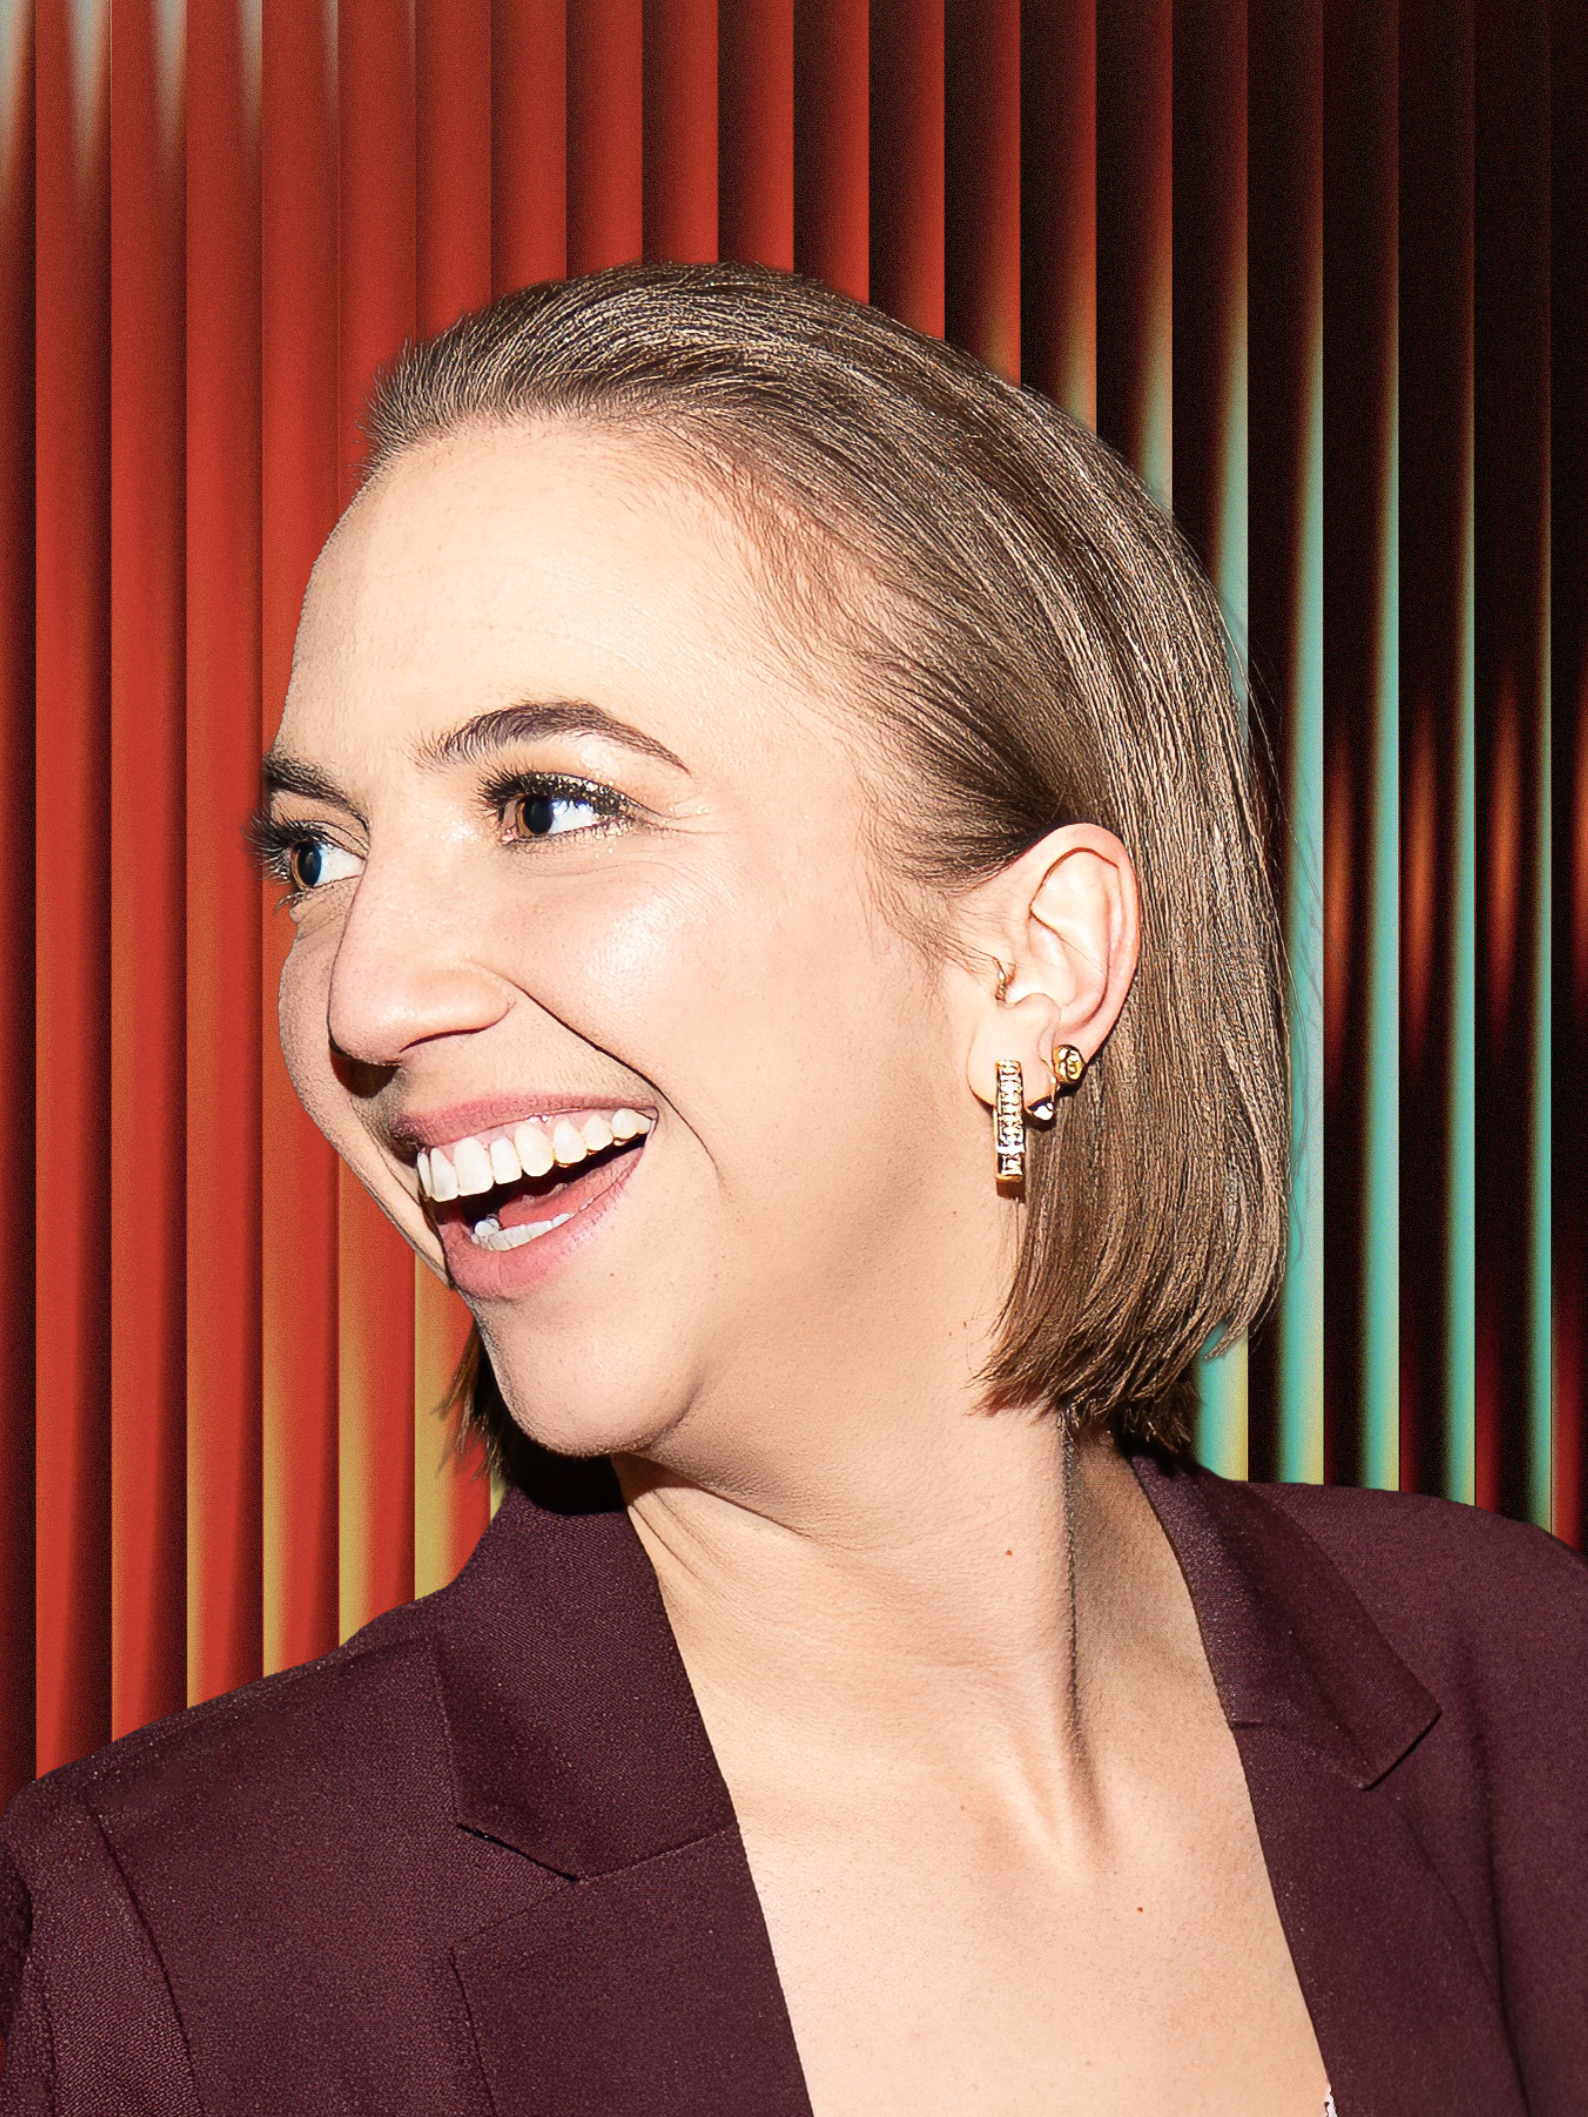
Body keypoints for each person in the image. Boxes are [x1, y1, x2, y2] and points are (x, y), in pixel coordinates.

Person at [2, 262, 1584, 2117]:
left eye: (548, 805)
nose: (361, 998)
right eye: (317, 855)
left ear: (1032, 959)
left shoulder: (1525, 1698)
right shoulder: (181, 1964)